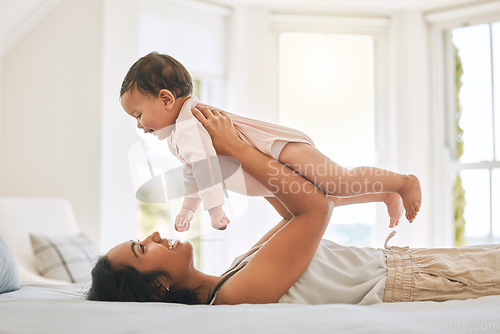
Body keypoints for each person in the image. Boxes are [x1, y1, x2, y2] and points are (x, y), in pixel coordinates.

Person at [87, 106, 500, 305]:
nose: (155, 234)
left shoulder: (233, 273)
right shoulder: (232, 299)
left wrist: (237, 158)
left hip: (411, 267)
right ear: (158, 286)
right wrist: (237, 150)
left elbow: (292, 211)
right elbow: (315, 210)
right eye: (143, 248)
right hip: (415, 283)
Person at [120, 52, 421, 231]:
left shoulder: (189, 123)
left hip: (277, 149)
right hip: (264, 172)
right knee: (308, 206)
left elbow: (204, 168)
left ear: (166, 98)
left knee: (336, 182)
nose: (138, 124)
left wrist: (214, 211)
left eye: (138, 114)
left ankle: (403, 182)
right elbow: (193, 173)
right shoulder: (178, 134)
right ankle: (384, 193)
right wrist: (188, 209)